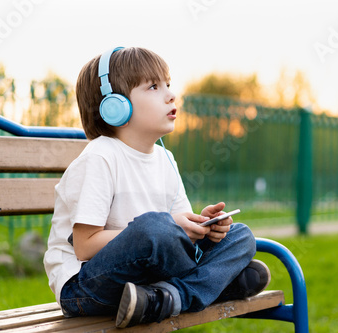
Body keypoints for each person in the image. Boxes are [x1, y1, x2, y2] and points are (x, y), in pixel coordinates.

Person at [43, 46, 270, 328]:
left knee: (241, 236)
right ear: (114, 106)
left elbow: (178, 240)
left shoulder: (165, 159)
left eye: (168, 84)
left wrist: (203, 228)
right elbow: (84, 246)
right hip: (85, 286)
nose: (171, 95)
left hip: (145, 281)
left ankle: (169, 297)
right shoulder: (100, 157)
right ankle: (210, 286)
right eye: (153, 86)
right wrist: (168, 226)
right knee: (156, 228)